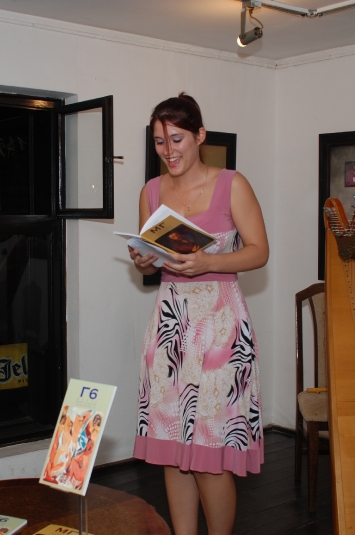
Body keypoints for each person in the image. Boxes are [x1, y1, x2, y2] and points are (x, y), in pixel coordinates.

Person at [130, 93, 268, 535]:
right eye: (159, 142)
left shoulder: (233, 184)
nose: (168, 151)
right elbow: (151, 262)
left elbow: (259, 252)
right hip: (170, 328)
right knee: (173, 450)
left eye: (177, 139)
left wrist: (210, 261)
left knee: (210, 454)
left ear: (199, 136)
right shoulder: (151, 192)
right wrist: (144, 260)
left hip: (220, 330)